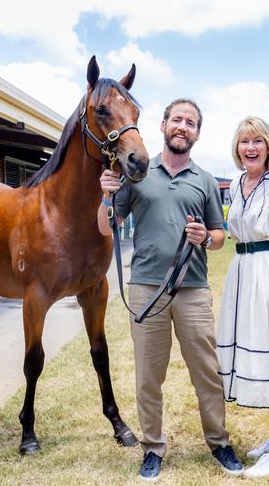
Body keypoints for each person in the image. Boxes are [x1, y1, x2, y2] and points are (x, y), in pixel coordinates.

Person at [97, 98, 243, 481]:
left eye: (190, 122)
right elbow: (104, 227)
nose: (183, 126)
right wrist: (106, 195)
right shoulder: (137, 173)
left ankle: (219, 442)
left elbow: (219, 236)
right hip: (146, 289)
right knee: (148, 375)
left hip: (193, 289)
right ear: (162, 125)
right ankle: (152, 448)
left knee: (207, 372)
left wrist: (204, 237)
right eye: (176, 120)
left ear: (196, 133)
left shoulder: (206, 180)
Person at [216, 116, 269, 479]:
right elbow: (230, 230)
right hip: (241, 270)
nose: (250, 148)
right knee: (266, 356)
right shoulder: (237, 183)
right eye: (243, 142)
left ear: (268, 146)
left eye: (257, 141)